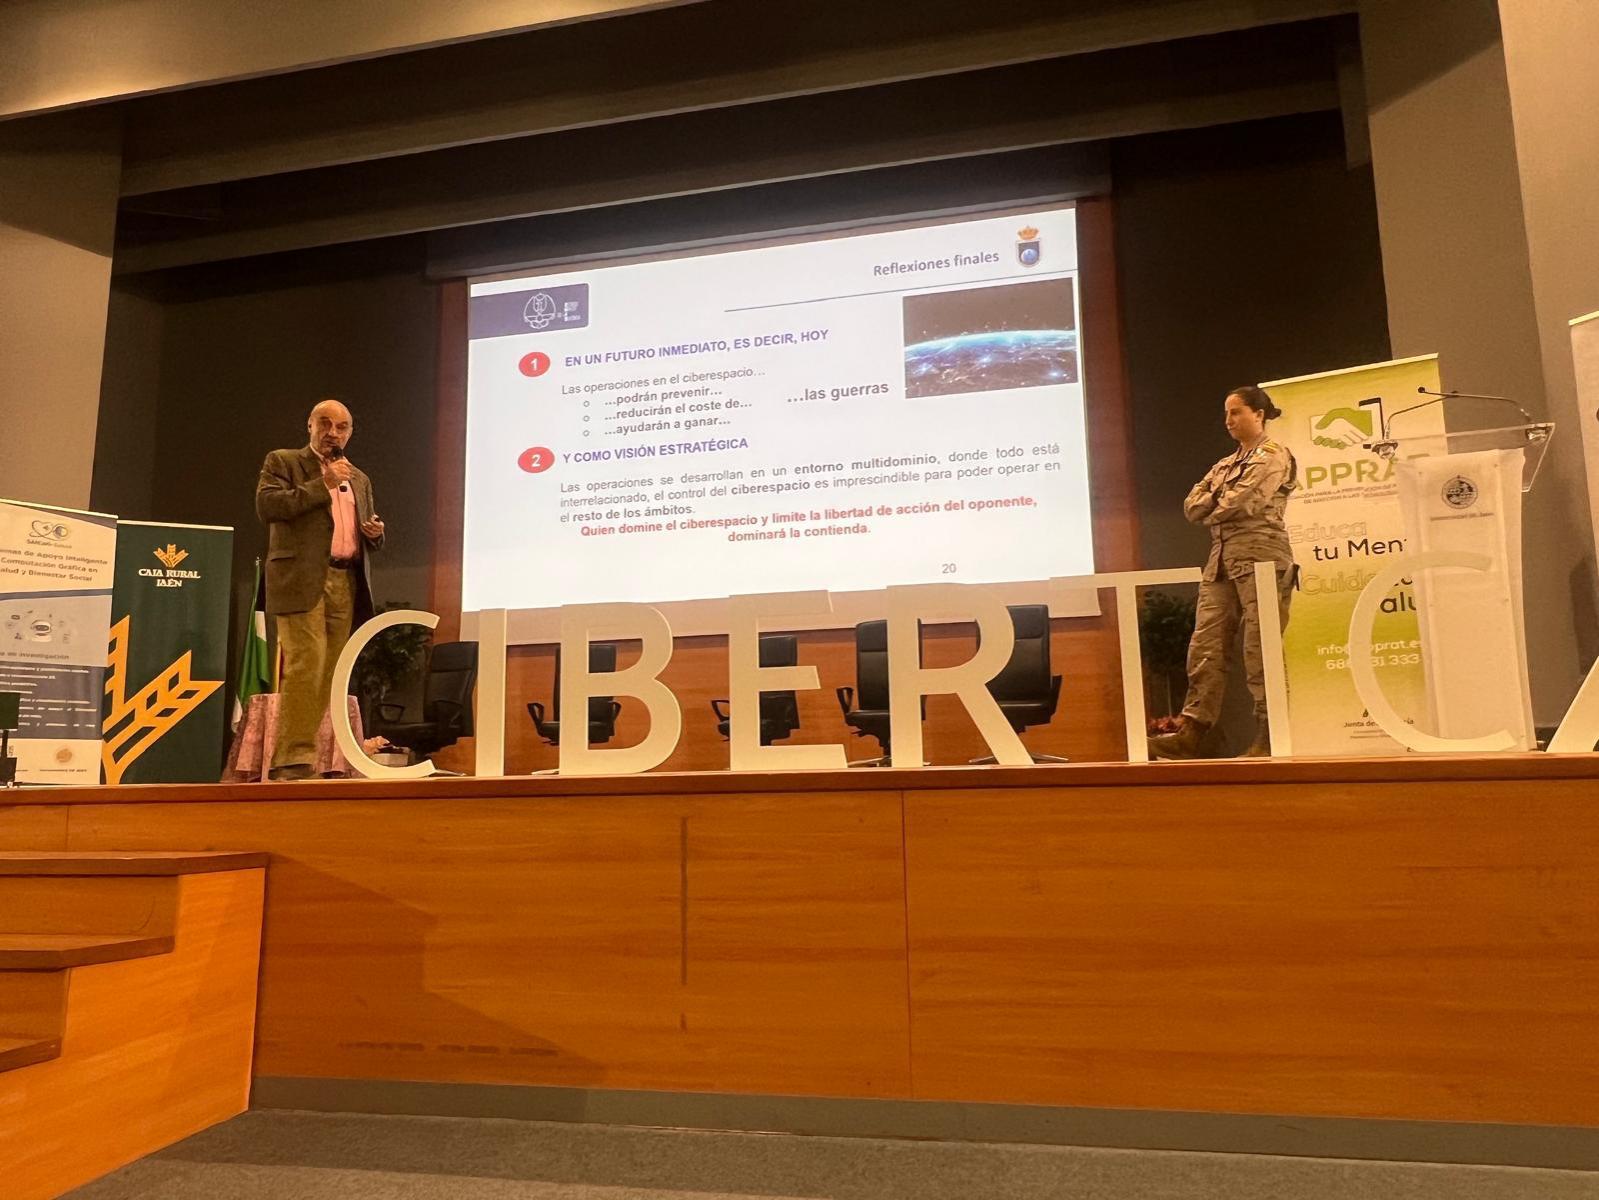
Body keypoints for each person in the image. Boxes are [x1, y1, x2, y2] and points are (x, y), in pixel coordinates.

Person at [1149, 385, 1297, 760]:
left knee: (1260, 648)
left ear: (1258, 414)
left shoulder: (1273, 455)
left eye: (1236, 412)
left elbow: (1240, 503)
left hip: (1261, 559)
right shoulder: (1225, 464)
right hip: (1220, 562)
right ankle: (1193, 730)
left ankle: (1270, 734)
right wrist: (1216, 503)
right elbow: (1191, 507)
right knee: (1206, 644)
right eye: (1226, 413)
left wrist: (1213, 503)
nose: (1228, 420)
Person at [255, 400, 385, 780]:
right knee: (306, 664)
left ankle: (302, 756)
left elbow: (359, 527)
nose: (333, 433)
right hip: (300, 579)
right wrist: (322, 485)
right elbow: (268, 506)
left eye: (341, 427)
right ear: (309, 426)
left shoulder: (358, 478)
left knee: (330, 673)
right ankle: (291, 760)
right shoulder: (284, 462)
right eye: (325, 424)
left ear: (350, 433)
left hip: (345, 580)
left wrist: (374, 533)